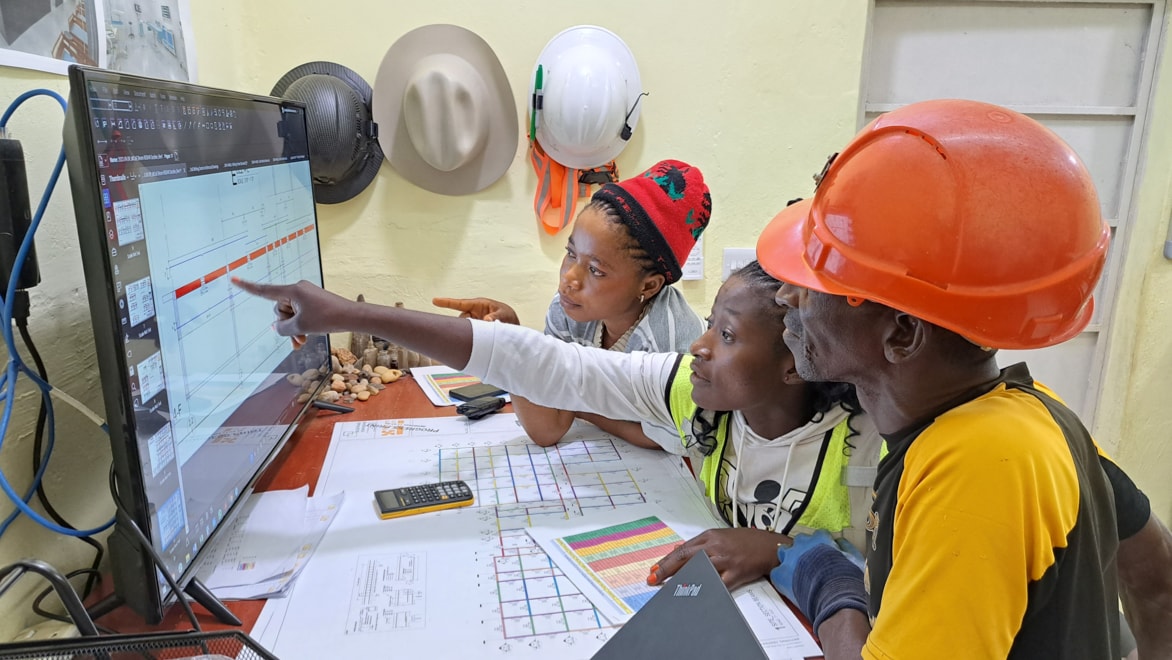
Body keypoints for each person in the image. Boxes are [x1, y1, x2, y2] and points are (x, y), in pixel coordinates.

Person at [756, 99, 1172, 659]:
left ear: (902, 334)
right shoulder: (1032, 414)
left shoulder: (975, 464)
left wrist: (831, 584)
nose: (786, 295)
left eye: (819, 278)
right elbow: (1158, 578)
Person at [234, 261, 883, 591]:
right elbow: (552, 366)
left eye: (728, 334)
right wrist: (352, 312)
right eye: (710, 323)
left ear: (798, 360)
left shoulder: (870, 446)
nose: (700, 345)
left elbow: (900, 589)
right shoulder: (697, 393)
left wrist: (779, 550)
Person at [433, 159, 711, 450]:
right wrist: (509, 340)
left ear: (648, 286)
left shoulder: (670, 340)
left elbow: (671, 438)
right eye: (571, 253)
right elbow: (548, 429)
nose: (569, 278)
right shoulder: (568, 311)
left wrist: (579, 404)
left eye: (596, 270)